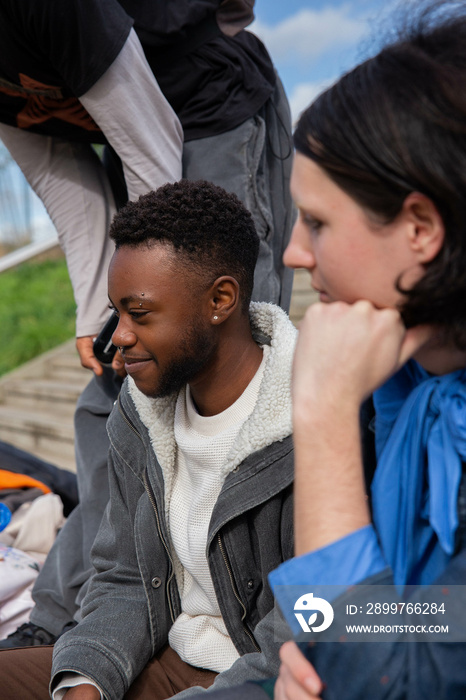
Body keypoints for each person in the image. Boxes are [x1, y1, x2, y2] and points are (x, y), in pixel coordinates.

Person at [189, 2, 466, 699]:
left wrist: (322, 412)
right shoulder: (400, 388)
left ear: (420, 228)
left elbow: (393, 681)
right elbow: (324, 631)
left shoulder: (353, 398)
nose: (291, 252)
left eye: (316, 221)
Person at [0, 0, 295, 648]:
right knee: (112, 400)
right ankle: (62, 619)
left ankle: (257, 630)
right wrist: (99, 315)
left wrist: (154, 302)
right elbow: (61, 178)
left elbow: (152, 137)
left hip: (208, 109)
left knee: (228, 371)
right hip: (128, 144)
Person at [0, 179, 296, 699]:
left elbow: (308, 634)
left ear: (221, 299)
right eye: (117, 312)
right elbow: (124, 578)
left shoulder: (312, 421)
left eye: (140, 313)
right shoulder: (137, 418)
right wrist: (86, 682)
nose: (118, 336)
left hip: (262, 680)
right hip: (167, 659)